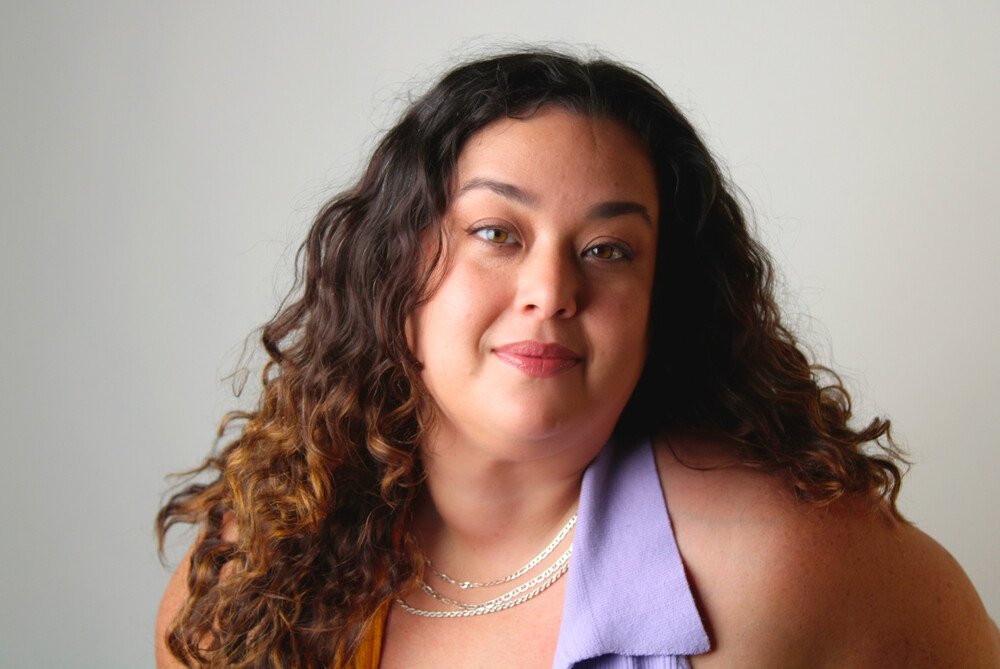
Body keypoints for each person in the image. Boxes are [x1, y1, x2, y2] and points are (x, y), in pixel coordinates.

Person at [155, 50, 1000, 668]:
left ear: (660, 305)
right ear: (394, 269)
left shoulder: (784, 557)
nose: (550, 289)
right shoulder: (256, 562)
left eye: (608, 250)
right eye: (496, 233)